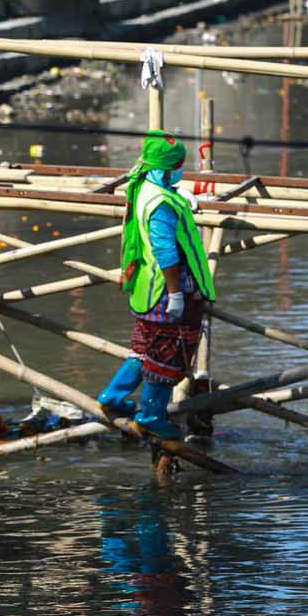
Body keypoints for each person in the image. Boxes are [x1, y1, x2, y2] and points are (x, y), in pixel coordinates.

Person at [95, 133, 215, 440]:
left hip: (146, 290)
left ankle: (113, 395)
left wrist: (179, 195)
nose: (181, 171)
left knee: (144, 349)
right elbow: (166, 251)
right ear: (166, 168)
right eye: (178, 166)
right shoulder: (161, 202)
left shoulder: (146, 187)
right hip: (165, 290)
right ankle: (150, 415)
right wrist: (176, 294)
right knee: (166, 357)